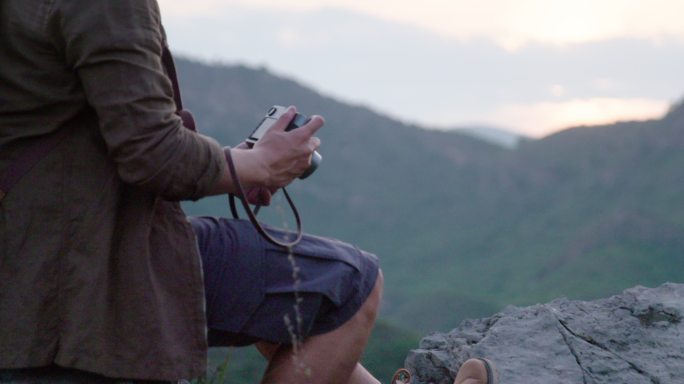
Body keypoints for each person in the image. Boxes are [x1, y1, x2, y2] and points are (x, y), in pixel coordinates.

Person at [0, 1, 497, 383]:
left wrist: (240, 165)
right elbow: (152, 152)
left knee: (280, 292)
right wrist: (257, 163)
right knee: (347, 282)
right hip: (90, 260)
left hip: (36, 239)